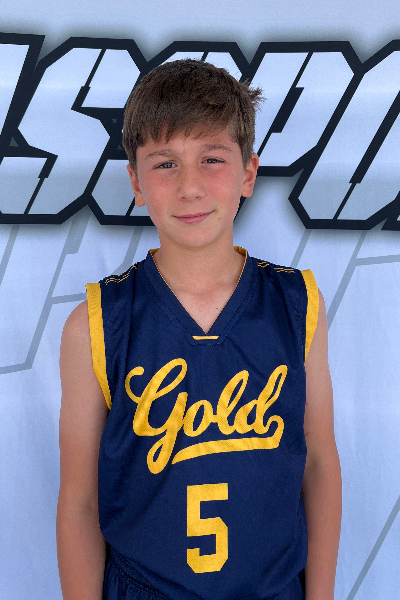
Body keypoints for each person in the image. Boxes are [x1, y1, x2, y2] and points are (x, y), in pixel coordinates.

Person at [57, 59, 342, 600]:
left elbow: (320, 464)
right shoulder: (95, 324)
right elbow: (79, 501)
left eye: (211, 159)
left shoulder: (298, 304)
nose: (189, 187)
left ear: (248, 174)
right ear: (136, 182)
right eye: (165, 164)